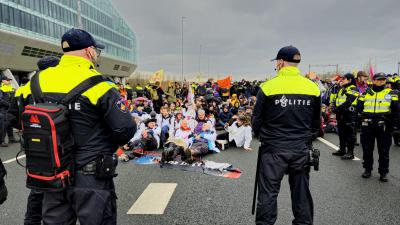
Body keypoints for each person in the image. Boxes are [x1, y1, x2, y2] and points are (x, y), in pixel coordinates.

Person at [16, 28, 136, 224]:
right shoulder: (101, 84)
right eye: (96, 51)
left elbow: (18, 118)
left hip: (52, 173)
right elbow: (125, 129)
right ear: (89, 51)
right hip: (90, 176)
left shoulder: (35, 82)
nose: (96, 54)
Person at [252, 46, 320, 225]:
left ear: (281, 62)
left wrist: (263, 136)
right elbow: (316, 123)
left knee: (268, 193)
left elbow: (256, 120)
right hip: (300, 149)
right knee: (301, 193)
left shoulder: (268, 87)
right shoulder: (312, 88)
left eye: (276, 61)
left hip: (273, 149)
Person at [20, 56, 60, 225]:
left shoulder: (24, 88)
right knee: (58, 188)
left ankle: (31, 221)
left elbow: (16, 117)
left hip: (32, 144)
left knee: (37, 186)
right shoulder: (59, 85)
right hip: (57, 144)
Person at [357, 73, 399, 182]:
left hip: (383, 126)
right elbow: (358, 108)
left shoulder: (391, 93)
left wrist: (391, 124)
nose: (381, 82)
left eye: (383, 80)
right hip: (368, 125)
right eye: (379, 80)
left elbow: (396, 111)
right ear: (373, 80)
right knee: (367, 149)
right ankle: (367, 169)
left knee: (384, 151)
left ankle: (383, 172)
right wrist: (362, 117)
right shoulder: (366, 93)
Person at [331, 73, 359, 159]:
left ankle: (350, 153)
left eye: (344, 79)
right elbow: (337, 99)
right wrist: (334, 106)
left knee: (349, 134)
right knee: (341, 132)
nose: (341, 80)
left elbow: (348, 102)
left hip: (349, 114)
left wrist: (337, 109)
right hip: (341, 113)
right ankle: (342, 149)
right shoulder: (342, 88)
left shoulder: (353, 89)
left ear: (350, 80)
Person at [0, 75, 16, 147]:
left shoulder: (11, 88)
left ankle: (11, 138)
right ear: (3, 81)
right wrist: (9, 105)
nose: (9, 81)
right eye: (7, 80)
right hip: (2, 110)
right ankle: (2, 141)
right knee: (3, 125)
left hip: (9, 109)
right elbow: (0, 100)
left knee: (10, 123)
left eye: (9, 80)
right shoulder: (1, 89)